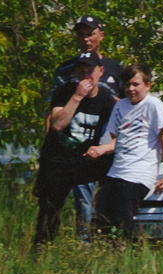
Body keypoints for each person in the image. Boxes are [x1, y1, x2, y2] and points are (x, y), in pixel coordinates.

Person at [53, 17, 125, 239]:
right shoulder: (66, 69)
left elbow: (127, 107)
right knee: (82, 197)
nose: (86, 39)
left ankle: (109, 239)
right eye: (81, 34)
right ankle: (84, 244)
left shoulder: (116, 69)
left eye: (90, 33)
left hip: (108, 143)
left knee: (109, 195)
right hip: (77, 142)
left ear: (101, 36)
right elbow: (53, 109)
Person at [32, 57, 114, 247]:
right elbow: (57, 124)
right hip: (58, 160)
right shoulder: (65, 91)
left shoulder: (106, 100)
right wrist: (77, 97)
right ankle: (42, 251)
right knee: (49, 211)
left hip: (84, 161)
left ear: (100, 72)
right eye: (81, 72)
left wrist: (101, 149)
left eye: (90, 72)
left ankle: (102, 240)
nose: (86, 76)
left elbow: (118, 137)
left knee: (115, 176)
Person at [96, 62, 163, 242]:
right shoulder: (120, 106)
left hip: (139, 173)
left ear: (147, 85)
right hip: (117, 171)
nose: (131, 89)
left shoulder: (153, 104)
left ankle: (125, 254)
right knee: (101, 216)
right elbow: (117, 140)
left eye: (136, 84)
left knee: (122, 218)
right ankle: (105, 255)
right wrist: (100, 149)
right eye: (127, 84)